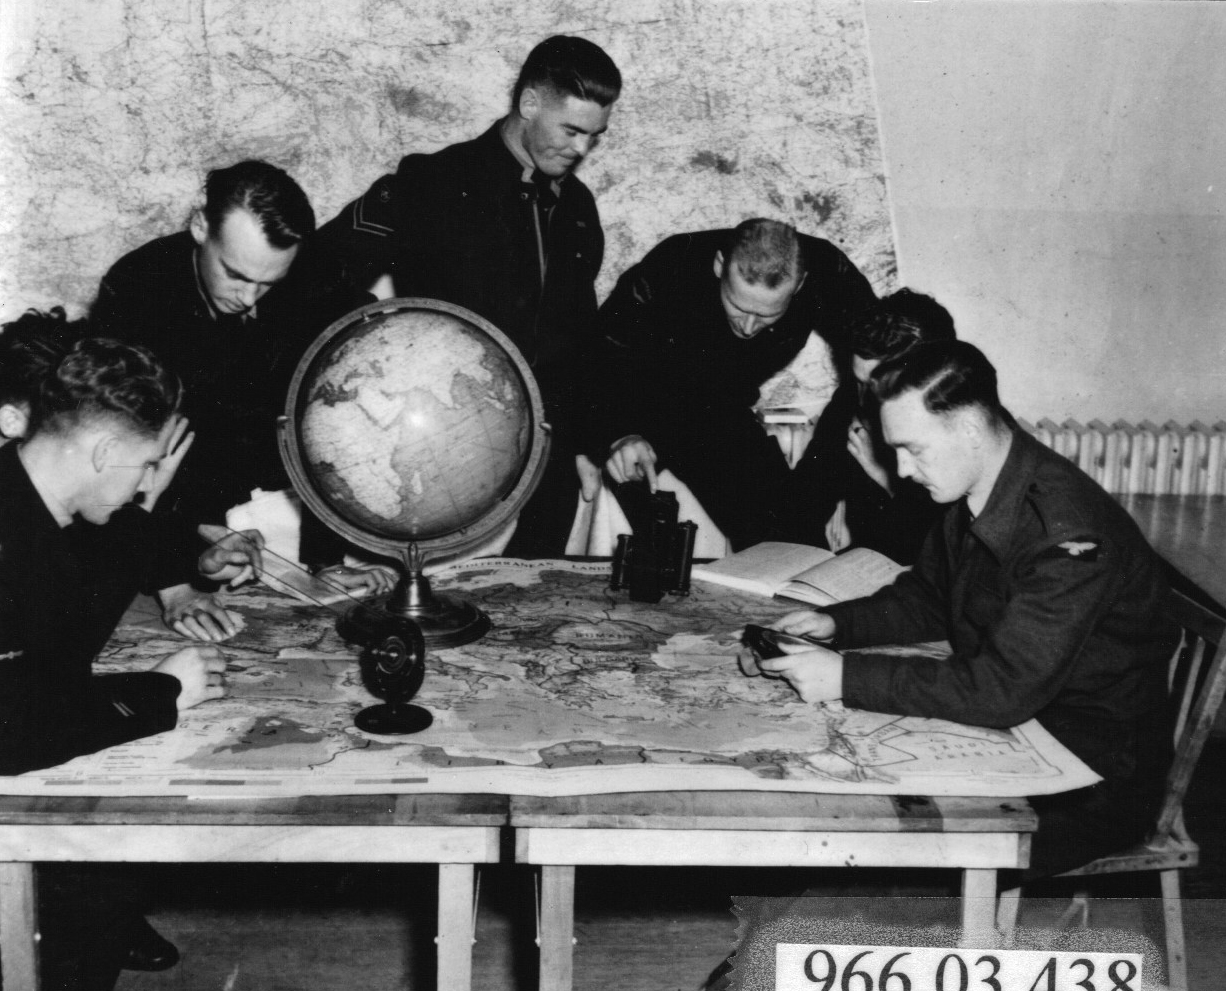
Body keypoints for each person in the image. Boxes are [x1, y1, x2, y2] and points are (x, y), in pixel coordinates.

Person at [761, 340, 1177, 878]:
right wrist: (840, 624)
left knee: (876, 840)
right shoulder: (978, 488)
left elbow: (1001, 690)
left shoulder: (1068, 534)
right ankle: (792, 947)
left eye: (914, 449)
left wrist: (846, 675)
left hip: (1093, 773)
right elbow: (932, 595)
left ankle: (818, 950)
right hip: (1024, 731)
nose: (903, 470)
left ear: (970, 431)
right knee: (843, 800)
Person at [0, 331, 262, 986]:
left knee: (109, 884)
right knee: (101, 877)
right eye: (146, 465)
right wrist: (161, 692)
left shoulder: (31, 501)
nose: (151, 481)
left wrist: (145, 504)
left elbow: (72, 614)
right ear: (105, 449)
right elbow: (15, 726)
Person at [313, 35, 623, 556]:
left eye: (596, 136)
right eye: (571, 130)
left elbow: (578, 334)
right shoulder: (430, 182)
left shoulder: (577, 207)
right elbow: (320, 275)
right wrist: (378, 341)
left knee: (531, 596)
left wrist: (594, 433)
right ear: (528, 104)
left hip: (545, 446)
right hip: (429, 441)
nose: (582, 150)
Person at [90, 160, 389, 631]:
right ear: (200, 225)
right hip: (169, 502)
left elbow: (330, 421)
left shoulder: (317, 277)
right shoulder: (137, 289)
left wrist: (325, 563)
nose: (249, 299)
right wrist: (175, 587)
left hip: (272, 492)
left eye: (268, 283)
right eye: (235, 274)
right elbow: (129, 447)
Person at [587, 219, 875, 551]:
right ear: (719, 264)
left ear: (800, 285)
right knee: (649, 548)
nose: (750, 327)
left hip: (723, 412)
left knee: (789, 538)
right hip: (646, 403)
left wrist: (816, 482)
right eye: (738, 307)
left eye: (768, 315)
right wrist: (617, 433)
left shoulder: (827, 270)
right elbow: (601, 356)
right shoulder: (672, 264)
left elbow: (879, 366)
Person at [777, 289, 956, 563]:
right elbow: (803, 503)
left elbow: (942, 556)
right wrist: (807, 572)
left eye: (875, 386)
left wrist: (886, 479)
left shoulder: (964, 424)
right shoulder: (854, 400)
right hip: (865, 570)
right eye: (859, 382)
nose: (863, 400)